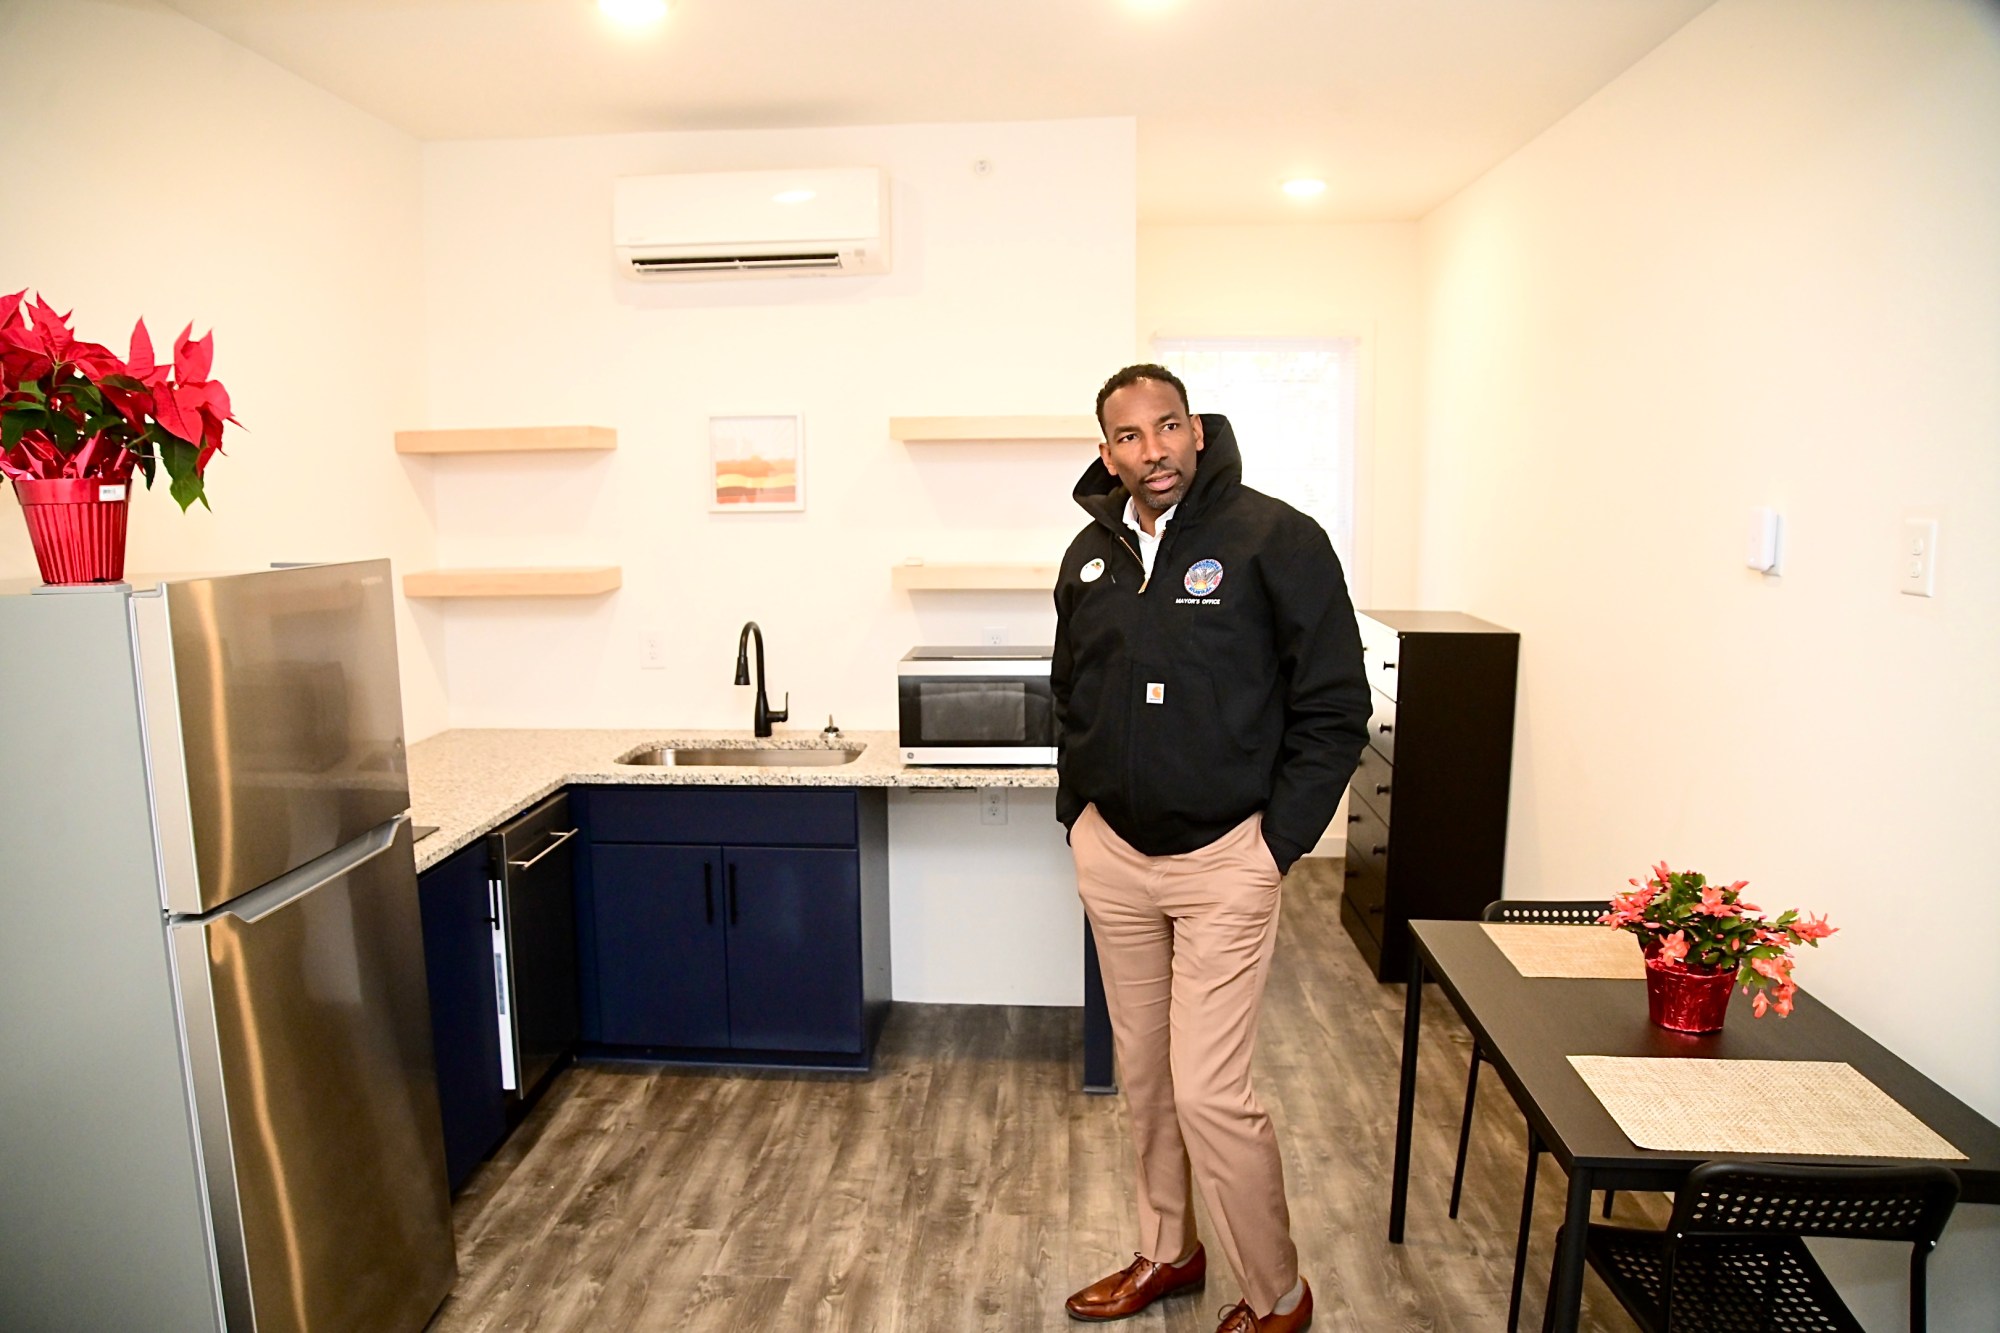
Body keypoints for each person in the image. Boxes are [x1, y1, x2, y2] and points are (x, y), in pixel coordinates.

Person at [1052, 364, 1369, 1333]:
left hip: (1225, 858)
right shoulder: (1090, 553)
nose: (1151, 450)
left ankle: (1276, 1292)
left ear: (1196, 429)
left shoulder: (1275, 538)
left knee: (1210, 1093)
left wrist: (1275, 844)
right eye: (1128, 435)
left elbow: (1332, 705)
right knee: (1144, 1079)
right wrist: (1078, 813)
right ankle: (1166, 1249)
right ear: (1106, 448)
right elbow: (1069, 689)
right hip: (1116, 856)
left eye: (1166, 426)